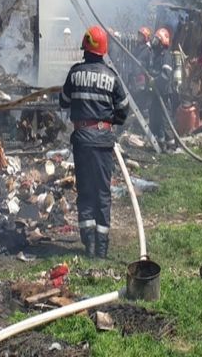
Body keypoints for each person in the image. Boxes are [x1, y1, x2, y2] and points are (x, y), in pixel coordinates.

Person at [59, 25, 129, 258]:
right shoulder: (112, 76)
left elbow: (63, 101)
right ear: (103, 51)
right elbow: (123, 110)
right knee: (102, 192)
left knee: (85, 191)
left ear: (85, 48)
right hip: (102, 141)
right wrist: (110, 122)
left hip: (81, 140)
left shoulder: (75, 73)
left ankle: (88, 243)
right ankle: (101, 248)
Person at [147, 27, 175, 149]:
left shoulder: (166, 56)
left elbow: (165, 75)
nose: (154, 42)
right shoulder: (156, 55)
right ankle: (159, 142)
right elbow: (153, 70)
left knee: (165, 119)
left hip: (163, 92)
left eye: (157, 40)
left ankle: (170, 145)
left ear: (162, 42)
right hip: (155, 92)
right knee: (154, 116)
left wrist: (155, 81)